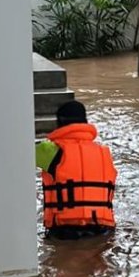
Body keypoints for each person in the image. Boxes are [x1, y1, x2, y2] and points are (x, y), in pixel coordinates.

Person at [35, 100, 117, 240]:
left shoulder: (50, 150)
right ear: (85, 122)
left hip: (64, 232)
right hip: (102, 230)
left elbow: (19, 158)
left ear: (59, 123)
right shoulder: (104, 152)